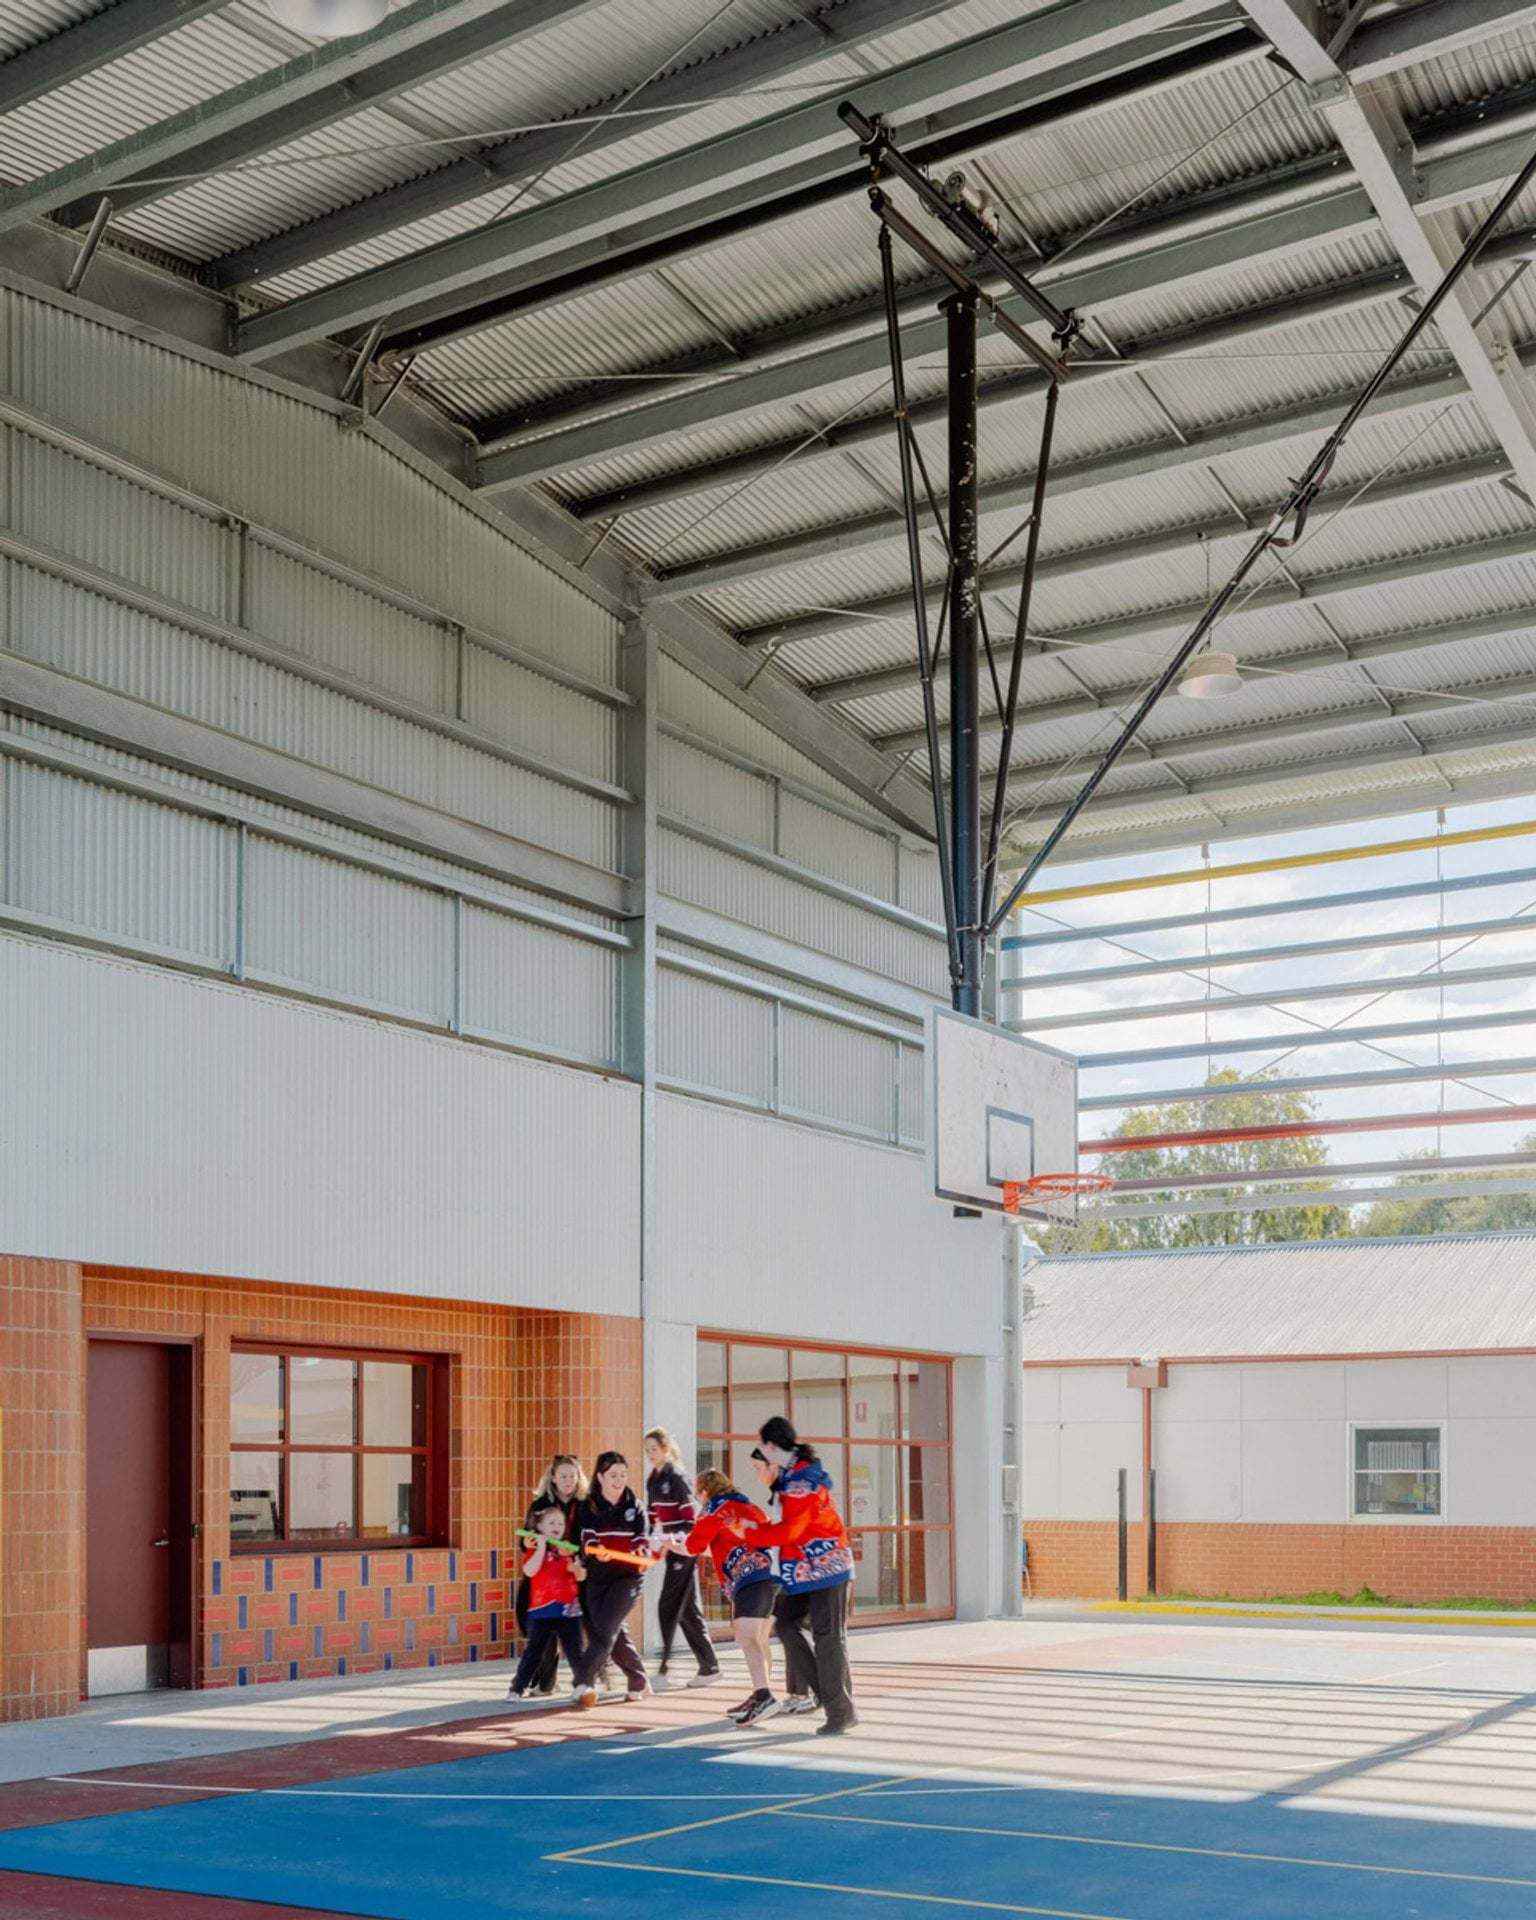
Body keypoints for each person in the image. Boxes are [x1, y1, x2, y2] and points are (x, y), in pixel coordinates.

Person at [739, 1416, 857, 1735]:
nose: (760, 1458)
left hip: (828, 1566)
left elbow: (791, 1530)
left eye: (762, 1447)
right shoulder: (791, 1477)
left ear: (773, 1447)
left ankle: (840, 1711)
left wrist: (753, 1532)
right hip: (807, 1569)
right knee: (788, 1622)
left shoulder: (802, 1483)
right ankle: (829, 1695)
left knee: (828, 1636)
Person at [683, 1467, 778, 1725]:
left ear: (704, 1491)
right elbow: (719, 1547)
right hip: (769, 1573)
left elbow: (693, 1545)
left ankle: (764, 1695)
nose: (698, 1500)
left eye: (697, 1494)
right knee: (757, 1638)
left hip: (750, 1578)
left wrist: (668, 1542)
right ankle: (761, 1693)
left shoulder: (713, 1508)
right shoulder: (745, 1505)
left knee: (745, 1636)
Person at [572, 1450, 653, 1707]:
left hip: (628, 1578)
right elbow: (586, 1537)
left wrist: (639, 1552)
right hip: (598, 1578)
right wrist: (597, 1550)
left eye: (622, 1475)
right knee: (612, 1632)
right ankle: (638, 1678)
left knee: (604, 1628)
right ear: (600, 1477)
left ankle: (584, 1681)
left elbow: (642, 1539)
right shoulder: (588, 1505)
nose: (619, 1480)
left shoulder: (634, 1505)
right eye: (613, 1475)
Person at [644, 1426, 721, 1690]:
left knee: (668, 1607)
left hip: (684, 1549)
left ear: (666, 1449)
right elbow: (653, 1516)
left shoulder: (677, 1477)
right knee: (687, 1610)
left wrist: (673, 1541)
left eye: (654, 1449)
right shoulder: (653, 1479)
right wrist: (654, 1542)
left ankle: (664, 1671)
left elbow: (691, 1520)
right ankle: (709, 1666)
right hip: (670, 1550)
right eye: (647, 1450)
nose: (649, 1454)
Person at [750, 1447, 817, 1717]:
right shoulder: (779, 1494)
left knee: (794, 1630)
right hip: (785, 1573)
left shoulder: (795, 1491)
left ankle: (808, 1692)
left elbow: (792, 1532)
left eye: (758, 1467)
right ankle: (800, 1692)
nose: (756, 1474)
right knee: (789, 1631)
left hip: (804, 1571)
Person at [516, 1455, 587, 1695]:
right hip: (542, 1578)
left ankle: (587, 1676)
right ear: (553, 1478)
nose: (568, 1480)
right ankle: (546, 1679)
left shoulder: (584, 1504)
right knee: (531, 1624)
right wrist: (531, 1542)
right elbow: (525, 1540)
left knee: (576, 1632)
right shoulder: (541, 1504)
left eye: (572, 1475)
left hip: (572, 1575)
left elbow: (588, 1539)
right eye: (563, 1475)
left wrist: (574, 1551)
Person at [507, 1505, 586, 1701]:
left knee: (574, 1650)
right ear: (540, 1526)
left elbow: (582, 1576)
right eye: (551, 1523)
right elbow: (530, 1571)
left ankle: (583, 1684)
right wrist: (541, 1547)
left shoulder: (568, 1549)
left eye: (560, 1523)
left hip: (568, 1610)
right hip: (541, 1610)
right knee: (534, 1652)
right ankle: (517, 1688)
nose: (557, 1527)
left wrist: (577, 1568)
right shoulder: (534, 1549)